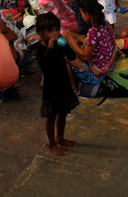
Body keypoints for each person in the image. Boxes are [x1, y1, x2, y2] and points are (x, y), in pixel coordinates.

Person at [35, 12, 79, 156]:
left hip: (63, 83)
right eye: (50, 30)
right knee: (51, 117)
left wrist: (66, 43)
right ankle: (52, 143)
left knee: (63, 114)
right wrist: (49, 47)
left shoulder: (60, 46)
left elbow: (72, 57)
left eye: (56, 29)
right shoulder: (40, 49)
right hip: (51, 87)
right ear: (41, 32)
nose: (54, 33)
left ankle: (60, 137)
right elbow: (44, 65)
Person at [61, 0, 115, 86]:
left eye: (82, 13)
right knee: (79, 44)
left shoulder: (93, 31)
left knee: (68, 58)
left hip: (99, 73)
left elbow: (85, 56)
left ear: (87, 14)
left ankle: (73, 87)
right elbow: (89, 41)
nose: (81, 16)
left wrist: (71, 40)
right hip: (109, 64)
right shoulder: (105, 23)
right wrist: (73, 35)